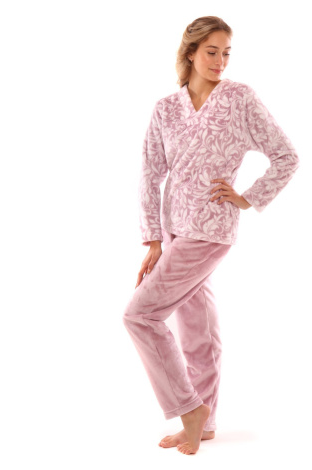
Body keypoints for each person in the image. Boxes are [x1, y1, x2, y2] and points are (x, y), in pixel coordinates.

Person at [122, 16, 300, 455]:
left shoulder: (240, 99)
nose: (221, 61)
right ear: (190, 53)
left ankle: (190, 409)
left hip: (210, 229)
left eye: (226, 53)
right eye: (211, 52)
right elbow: (149, 174)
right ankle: (206, 423)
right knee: (196, 328)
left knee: (140, 315)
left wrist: (248, 198)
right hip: (174, 230)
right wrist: (154, 240)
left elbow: (286, 155)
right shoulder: (166, 108)